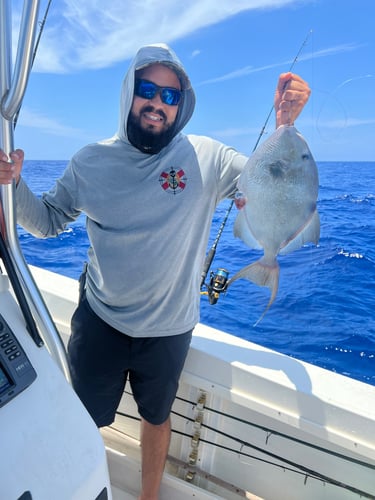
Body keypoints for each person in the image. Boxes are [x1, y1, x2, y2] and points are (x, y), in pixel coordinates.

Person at [0, 43, 310, 499]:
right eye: (149, 90)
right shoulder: (90, 162)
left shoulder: (208, 157)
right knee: (85, 418)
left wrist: (286, 127)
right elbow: (47, 221)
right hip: (101, 320)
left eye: (171, 95)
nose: (158, 104)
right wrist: (13, 183)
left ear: (182, 104)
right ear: (130, 92)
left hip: (170, 328)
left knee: (156, 417)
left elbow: (269, 185)